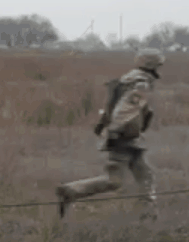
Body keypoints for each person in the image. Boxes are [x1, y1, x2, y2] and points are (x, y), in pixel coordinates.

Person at [56, 49, 163, 217]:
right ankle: (71, 191)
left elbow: (112, 108)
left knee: (146, 175)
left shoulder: (127, 80)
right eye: (158, 65)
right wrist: (115, 131)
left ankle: (148, 214)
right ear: (153, 65)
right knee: (114, 181)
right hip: (123, 137)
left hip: (130, 138)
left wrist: (105, 126)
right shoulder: (140, 83)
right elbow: (124, 111)